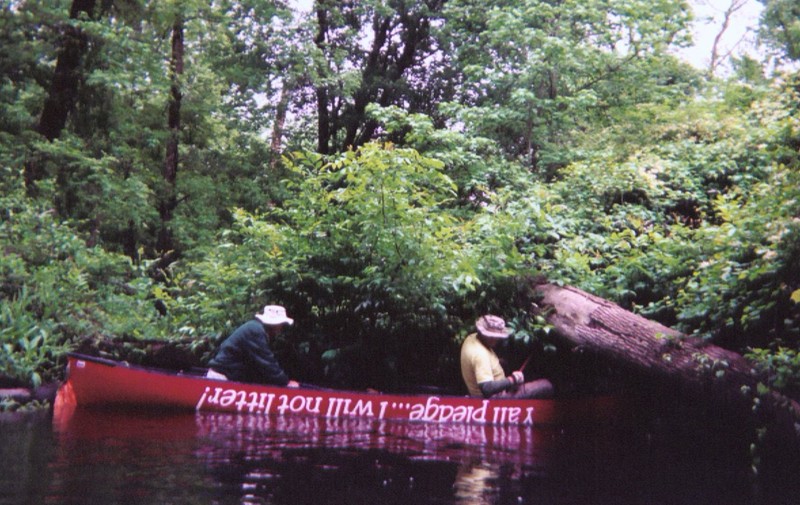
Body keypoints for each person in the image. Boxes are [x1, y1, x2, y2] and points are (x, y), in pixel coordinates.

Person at [460, 314, 553, 399]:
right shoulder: (480, 355)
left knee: (507, 363)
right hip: (495, 399)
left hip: (482, 388)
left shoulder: (472, 338)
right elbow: (487, 389)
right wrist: (512, 380)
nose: (497, 339)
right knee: (546, 386)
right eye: (494, 336)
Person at [206, 305, 300, 387]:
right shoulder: (255, 331)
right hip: (220, 379)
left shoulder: (258, 329)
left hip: (228, 378)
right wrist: (285, 382)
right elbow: (266, 363)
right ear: (275, 323)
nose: (282, 327)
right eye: (281, 324)